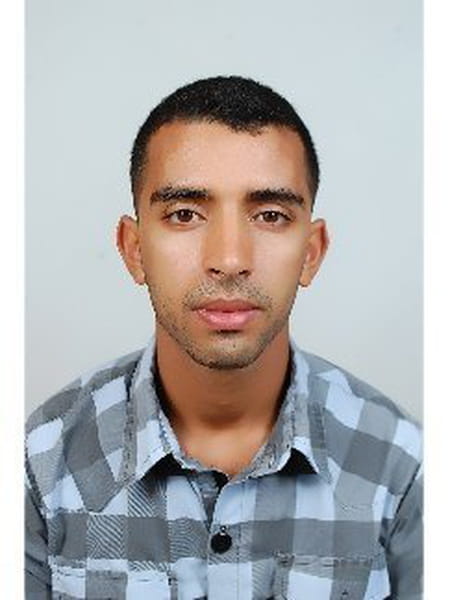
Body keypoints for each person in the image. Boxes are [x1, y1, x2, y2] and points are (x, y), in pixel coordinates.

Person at [25, 75, 422, 599]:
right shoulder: (40, 462)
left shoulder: (402, 464)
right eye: (185, 214)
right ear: (134, 249)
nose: (230, 259)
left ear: (311, 252)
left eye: (270, 215)